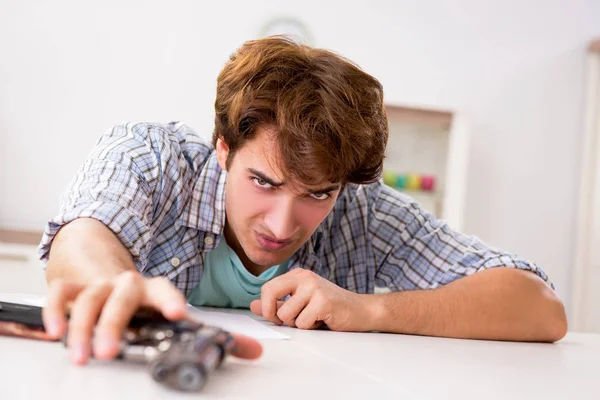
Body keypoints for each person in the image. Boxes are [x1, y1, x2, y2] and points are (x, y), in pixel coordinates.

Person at [39, 36, 567, 366]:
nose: (282, 223)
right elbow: (84, 234)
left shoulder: (362, 210)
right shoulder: (153, 157)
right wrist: (110, 283)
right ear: (224, 148)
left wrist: (371, 309)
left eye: (317, 193)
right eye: (264, 181)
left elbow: (539, 310)